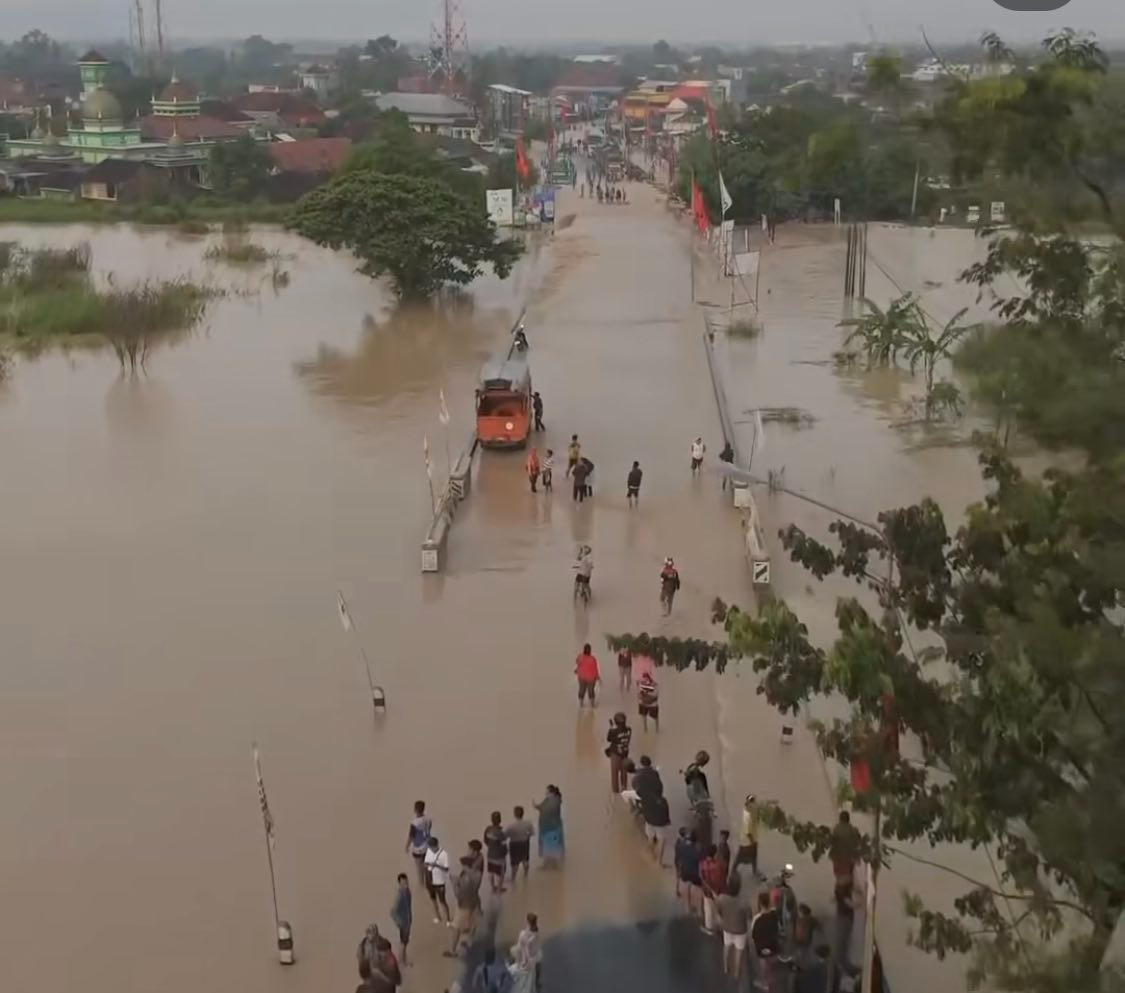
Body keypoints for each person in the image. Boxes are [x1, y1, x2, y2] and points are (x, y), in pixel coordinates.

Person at [446, 855, 482, 958]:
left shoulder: (465, 878)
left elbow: (458, 895)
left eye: (463, 865)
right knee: (473, 925)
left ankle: (452, 951)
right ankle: (469, 942)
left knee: (456, 928)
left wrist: (454, 884)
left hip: (464, 907)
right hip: (475, 904)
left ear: (466, 866)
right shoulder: (477, 874)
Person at [717, 874, 750, 980]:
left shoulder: (721, 898)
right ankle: (736, 973)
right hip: (740, 930)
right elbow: (749, 917)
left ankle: (725, 967)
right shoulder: (744, 903)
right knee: (738, 952)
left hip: (727, 928)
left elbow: (719, 911)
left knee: (726, 947)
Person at [684, 750, 713, 847]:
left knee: (697, 816)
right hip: (698, 797)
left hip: (692, 794)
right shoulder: (698, 774)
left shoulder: (691, 768)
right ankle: (700, 840)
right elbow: (699, 791)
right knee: (701, 820)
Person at [732, 793, 762, 882]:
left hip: (753, 838)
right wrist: (752, 840)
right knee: (740, 857)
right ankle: (734, 869)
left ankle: (754, 870)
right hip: (747, 841)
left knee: (753, 856)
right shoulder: (746, 813)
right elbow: (747, 830)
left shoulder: (753, 810)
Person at [829, 810, 862, 889]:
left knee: (839, 874)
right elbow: (858, 842)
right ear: (848, 819)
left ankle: (840, 888)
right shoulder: (853, 830)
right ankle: (846, 889)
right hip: (849, 858)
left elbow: (831, 842)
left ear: (840, 819)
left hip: (838, 857)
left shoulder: (835, 829)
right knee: (848, 874)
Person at [423, 836, 452, 925]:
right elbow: (425, 863)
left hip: (440, 882)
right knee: (433, 900)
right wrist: (428, 865)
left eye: (432, 847)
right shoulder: (428, 851)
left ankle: (448, 919)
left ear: (436, 845)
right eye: (430, 847)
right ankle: (438, 916)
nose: (431, 849)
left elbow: (446, 869)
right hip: (430, 880)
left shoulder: (444, 854)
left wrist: (436, 865)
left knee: (442, 901)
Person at [674, 827, 703, 915]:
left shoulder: (681, 847)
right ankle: (700, 910)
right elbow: (701, 861)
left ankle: (688, 908)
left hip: (685, 872)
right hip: (695, 874)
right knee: (699, 890)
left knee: (687, 887)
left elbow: (678, 860)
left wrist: (678, 871)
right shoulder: (697, 850)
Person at [700, 843, 727, 934]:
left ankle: (709, 927)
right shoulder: (720, 863)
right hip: (720, 890)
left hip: (708, 891)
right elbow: (724, 873)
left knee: (708, 909)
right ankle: (722, 926)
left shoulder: (703, 864)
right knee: (720, 909)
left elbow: (702, 878)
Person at [534, 785, 565, 866]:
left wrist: (537, 806)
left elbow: (545, 809)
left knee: (551, 845)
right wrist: (536, 806)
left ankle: (552, 863)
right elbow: (542, 807)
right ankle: (549, 863)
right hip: (549, 826)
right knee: (549, 845)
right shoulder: (550, 799)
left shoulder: (555, 800)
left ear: (551, 792)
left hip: (551, 827)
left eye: (546, 791)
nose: (545, 792)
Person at [512, 913, 542, 992]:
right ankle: (537, 981)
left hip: (526, 959)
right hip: (534, 956)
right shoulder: (537, 932)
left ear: (527, 921)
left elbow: (522, 949)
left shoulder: (523, 934)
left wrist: (521, 963)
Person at [405, 800, 433, 886]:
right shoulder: (429, 819)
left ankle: (421, 885)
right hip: (427, 846)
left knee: (419, 869)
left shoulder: (414, 823)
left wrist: (407, 846)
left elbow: (411, 836)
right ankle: (429, 883)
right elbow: (429, 830)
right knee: (427, 867)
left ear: (415, 809)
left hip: (417, 848)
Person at [605, 711, 633, 793]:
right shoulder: (629, 729)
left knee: (615, 772)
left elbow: (609, 739)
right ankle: (624, 787)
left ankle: (615, 790)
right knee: (624, 770)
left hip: (615, 753)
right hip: (625, 752)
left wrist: (611, 729)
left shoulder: (613, 731)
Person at [507, 805, 535, 883]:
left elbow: (506, 835)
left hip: (514, 844)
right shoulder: (528, 823)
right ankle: (526, 876)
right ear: (523, 813)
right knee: (525, 860)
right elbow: (532, 833)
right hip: (525, 843)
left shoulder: (511, 825)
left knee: (514, 863)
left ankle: (513, 879)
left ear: (514, 814)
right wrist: (526, 836)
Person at [390, 873, 412, 967]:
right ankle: (403, 962)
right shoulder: (399, 896)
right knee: (403, 942)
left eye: (406, 881)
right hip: (404, 922)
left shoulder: (407, 891)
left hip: (408, 921)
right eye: (403, 882)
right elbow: (393, 912)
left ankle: (402, 960)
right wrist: (398, 922)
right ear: (399, 883)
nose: (406, 883)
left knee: (405, 942)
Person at [484, 811, 509, 894]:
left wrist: (491, 847)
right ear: (500, 820)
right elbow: (504, 846)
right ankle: (499, 890)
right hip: (499, 857)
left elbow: (485, 840)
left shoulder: (488, 829)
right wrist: (505, 853)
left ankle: (493, 888)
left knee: (491, 872)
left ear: (491, 820)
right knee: (500, 874)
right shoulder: (501, 833)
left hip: (490, 855)